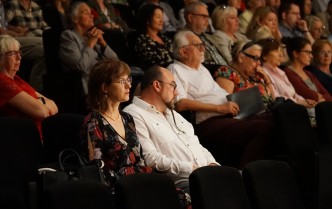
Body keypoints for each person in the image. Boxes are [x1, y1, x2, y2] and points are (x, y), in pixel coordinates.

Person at [81, 59, 191, 208]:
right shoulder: (94, 121)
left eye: (129, 79)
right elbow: (98, 170)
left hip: (140, 183)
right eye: (122, 81)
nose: (129, 85)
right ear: (105, 87)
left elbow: (140, 161)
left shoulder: (127, 118)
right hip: (118, 190)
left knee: (183, 197)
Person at [168, 30, 273, 168]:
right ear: (183, 52)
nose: (202, 49)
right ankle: (246, 173)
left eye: (202, 45)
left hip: (229, 115)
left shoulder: (202, 69)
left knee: (276, 117)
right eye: (197, 45)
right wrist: (219, 108)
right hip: (208, 122)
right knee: (265, 128)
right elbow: (180, 104)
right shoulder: (176, 69)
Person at [123, 65, 220, 193]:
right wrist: (192, 168)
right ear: (157, 86)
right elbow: (150, 159)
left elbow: (196, 145)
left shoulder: (174, 115)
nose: (177, 92)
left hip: (205, 175)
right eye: (173, 85)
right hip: (181, 184)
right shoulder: (133, 114)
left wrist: (212, 164)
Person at [0, 35, 58, 138]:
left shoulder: (16, 79)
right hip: (25, 139)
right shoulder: (2, 81)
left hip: (40, 135)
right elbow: (41, 112)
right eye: (13, 54)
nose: (19, 57)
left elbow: (54, 106)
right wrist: (40, 102)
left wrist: (39, 103)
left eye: (19, 53)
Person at [59, 1, 118, 95]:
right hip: (90, 86)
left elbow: (115, 61)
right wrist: (90, 44)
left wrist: (103, 44)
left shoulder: (90, 36)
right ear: (75, 19)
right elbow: (80, 67)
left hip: (105, 81)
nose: (92, 16)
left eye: (91, 13)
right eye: (86, 13)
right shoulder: (68, 36)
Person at [215, 40, 275, 111]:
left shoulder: (255, 76)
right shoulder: (227, 73)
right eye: (256, 58)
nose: (259, 63)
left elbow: (273, 100)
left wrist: (267, 80)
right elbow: (226, 106)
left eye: (259, 59)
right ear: (241, 57)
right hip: (248, 119)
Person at [0, 0, 46, 92]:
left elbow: (5, 26)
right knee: (44, 42)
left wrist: (15, 29)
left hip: (21, 36)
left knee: (44, 48)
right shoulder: (12, 4)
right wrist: (16, 33)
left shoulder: (36, 6)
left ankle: (35, 91)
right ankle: (35, 90)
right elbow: (2, 31)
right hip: (10, 38)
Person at [258, 38, 317, 107]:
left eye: (280, 50)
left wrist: (304, 100)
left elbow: (294, 94)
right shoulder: (263, 73)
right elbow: (276, 98)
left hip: (295, 107)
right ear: (264, 56)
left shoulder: (280, 72)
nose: (280, 54)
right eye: (276, 51)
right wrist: (299, 102)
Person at [284, 36, 332, 102]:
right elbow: (309, 94)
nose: (311, 56)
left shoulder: (308, 73)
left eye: (311, 53)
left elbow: (327, 94)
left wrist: (322, 98)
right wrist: (319, 97)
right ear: (295, 54)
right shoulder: (288, 73)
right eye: (307, 52)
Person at [184, 1, 227, 72]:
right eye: (203, 16)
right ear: (190, 18)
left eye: (208, 17)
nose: (207, 20)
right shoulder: (184, 39)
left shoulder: (209, 36)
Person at [135, 3, 173, 69]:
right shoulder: (143, 41)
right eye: (158, 17)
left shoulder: (166, 39)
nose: (162, 21)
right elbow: (154, 63)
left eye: (162, 17)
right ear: (147, 20)